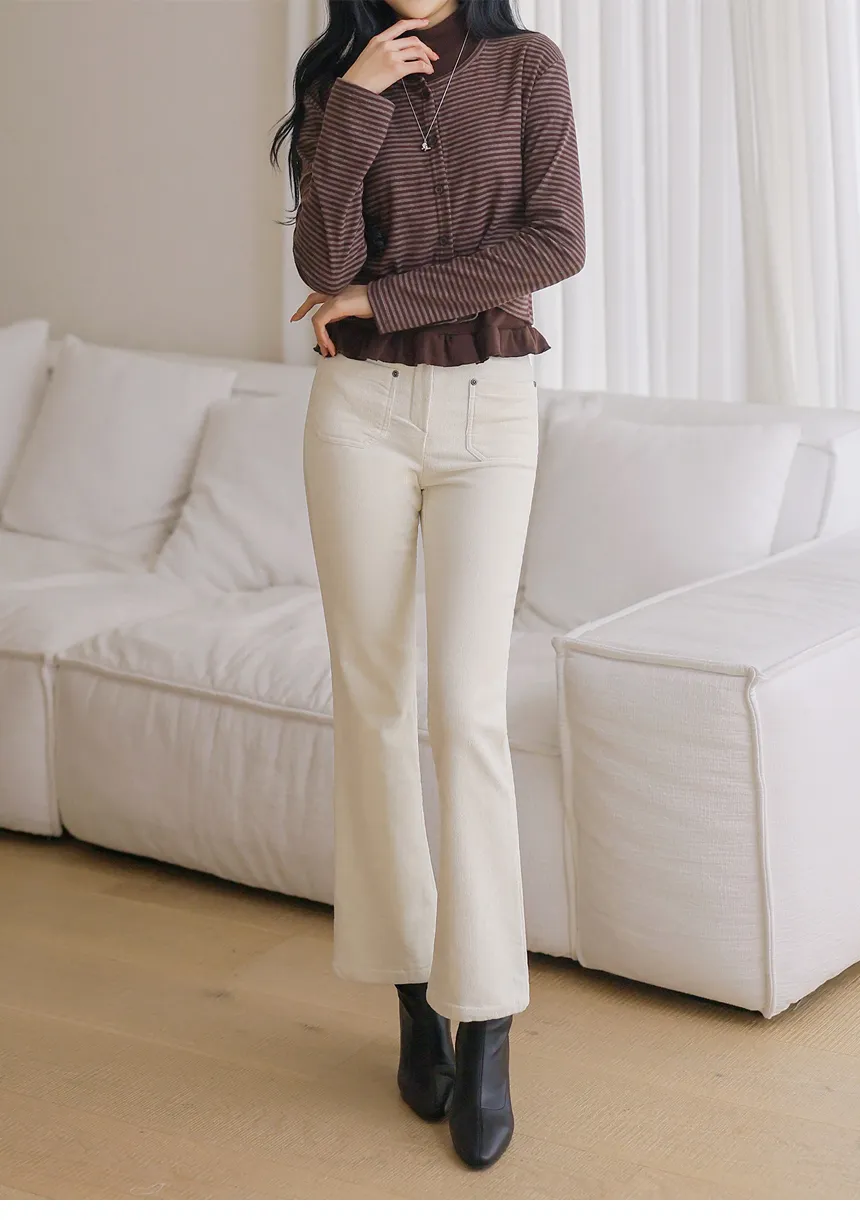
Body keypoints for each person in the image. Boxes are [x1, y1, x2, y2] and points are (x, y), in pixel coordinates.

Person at [269, 0, 585, 1170]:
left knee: (465, 709)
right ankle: (411, 997)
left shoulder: (525, 65)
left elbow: (554, 242)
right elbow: (321, 265)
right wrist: (354, 100)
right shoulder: (337, 80)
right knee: (371, 702)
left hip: (487, 414)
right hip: (357, 416)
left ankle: (485, 1016)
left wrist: (383, 303)